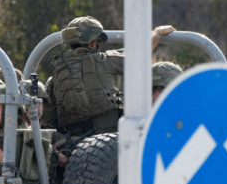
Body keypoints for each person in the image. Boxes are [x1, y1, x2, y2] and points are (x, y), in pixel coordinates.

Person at [44, 16, 175, 135]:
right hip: (109, 145)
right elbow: (139, 53)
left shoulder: (54, 80)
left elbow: (48, 122)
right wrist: (157, 33)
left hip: (72, 149)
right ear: (92, 43)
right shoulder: (104, 61)